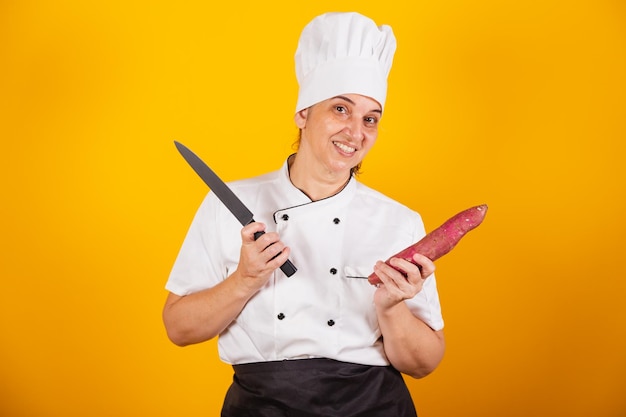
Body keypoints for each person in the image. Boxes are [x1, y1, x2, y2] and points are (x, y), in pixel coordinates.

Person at [163, 11, 445, 417]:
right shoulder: (231, 203)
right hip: (262, 407)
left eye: (370, 119)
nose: (356, 132)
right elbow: (179, 329)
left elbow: (425, 363)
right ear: (302, 114)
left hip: (373, 406)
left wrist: (391, 308)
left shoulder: (398, 221)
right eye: (340, 109)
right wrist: (245, 280)